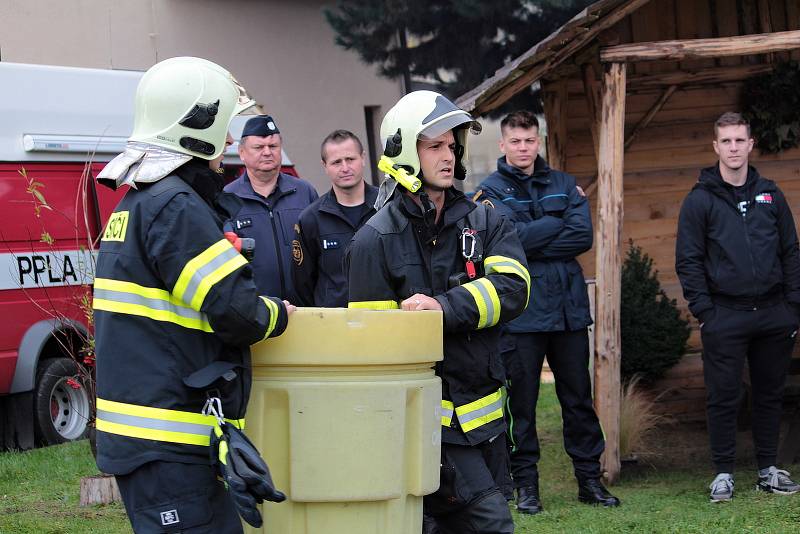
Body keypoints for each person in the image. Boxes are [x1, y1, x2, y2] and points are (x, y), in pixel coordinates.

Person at [93, 57, 295, 533]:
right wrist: (280, 315)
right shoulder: (175, 206)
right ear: (194, 130)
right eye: (223, 128)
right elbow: (238, 310)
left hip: (156, 438)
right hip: (168, 441)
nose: (228, 141)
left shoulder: (142, 201)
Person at [346, 90, 530, 534]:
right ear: (404, 151)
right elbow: (370, 350)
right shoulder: (374, 240)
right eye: (434, 146)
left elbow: (515, 288)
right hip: (424, 429)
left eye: (452, 146)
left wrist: (442, 308)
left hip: (484, 420)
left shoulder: (486, 221)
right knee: (492, 525)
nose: (449, 155)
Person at [476, 110, 619, 514]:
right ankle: (527, 487)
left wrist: (534, 234)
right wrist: (555, 222)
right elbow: (507, 244)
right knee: (521, 405)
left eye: (529, 140)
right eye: (515, 141)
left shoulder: (563, 182)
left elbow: (582, 236)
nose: (523, 148)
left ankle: (589, 481)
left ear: (538, 142)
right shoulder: (489, 191)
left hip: (568, 310)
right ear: (503, 145)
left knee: (577, 399)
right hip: (521, 315)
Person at [676, 111, 800, 503]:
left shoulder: (771, 194)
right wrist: (706, 312)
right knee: (723, 396)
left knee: (769, 394)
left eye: (739, 140)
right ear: (716, 146)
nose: (733, 148)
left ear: (751, 144)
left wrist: (793, 306)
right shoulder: (699, 200)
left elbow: (790, 251)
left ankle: (767, 470)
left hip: (773, 313)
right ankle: (724, 474)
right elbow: (688, 261)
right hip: (724, 316)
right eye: (726, 141)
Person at [224, 115, 318, 300]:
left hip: (305, 311)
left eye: (273, 146)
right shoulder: (227, 198)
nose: (267, 152)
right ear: (242, 152)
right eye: (259, 147)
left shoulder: (304, 192)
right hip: (256, 313)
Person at [292, 130, 378, 307]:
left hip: (384, 322)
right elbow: (302, 285)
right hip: (334, 326)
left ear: (362, 158)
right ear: (325, 166)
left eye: (350, 159)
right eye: (336, 162)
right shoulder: (311, 219)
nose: (345, 168)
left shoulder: (387, 207)